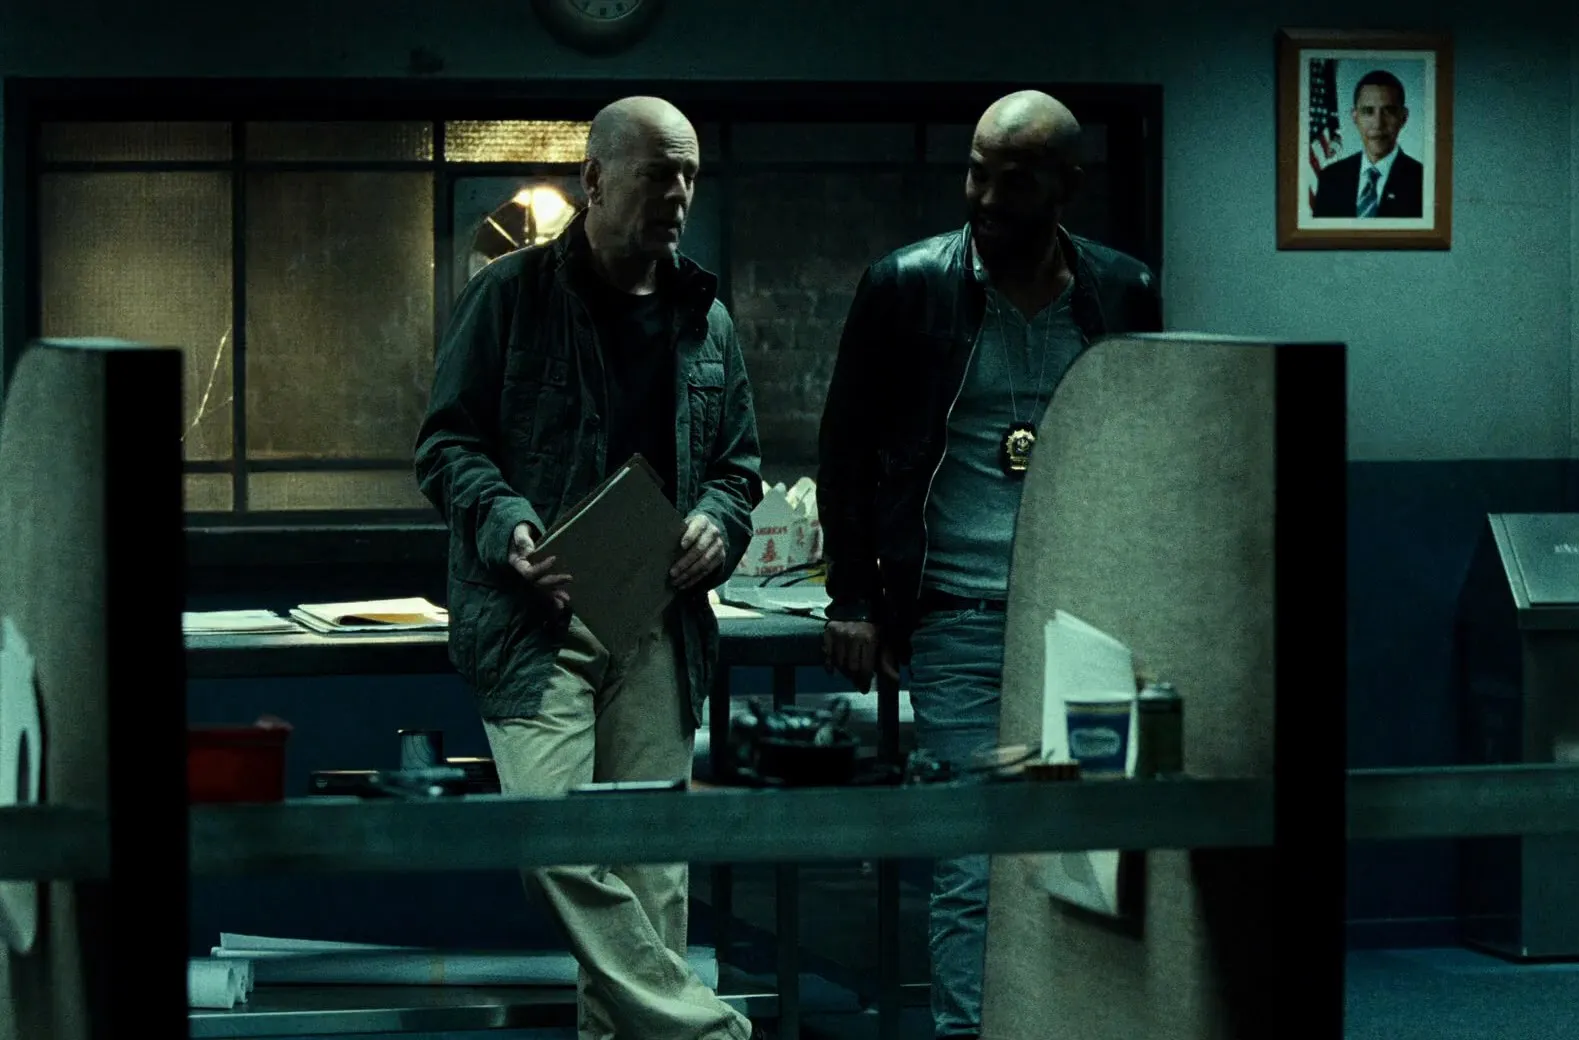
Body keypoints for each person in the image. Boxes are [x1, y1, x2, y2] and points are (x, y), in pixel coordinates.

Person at [814, 89, 1163, 1040]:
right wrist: (855, 597)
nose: (986, 197)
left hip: (1092, 621)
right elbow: (846, 451)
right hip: (960, 617)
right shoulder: (906, 286)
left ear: (1066, 185)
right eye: (977, 172)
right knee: (971, 861)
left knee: (1094, 857)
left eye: (1014, 179)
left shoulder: (1122, 292)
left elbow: (1153, 452)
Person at [414, 96, 765, 1040]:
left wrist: (718, 521)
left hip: (657, 620)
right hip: (538, 623)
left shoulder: (705, 320)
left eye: (689, 176)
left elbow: (738, 467)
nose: (677, 195)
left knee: (653, 875)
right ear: (595, 179)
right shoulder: (510, 295)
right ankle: (704, 1028)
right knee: (555, 844)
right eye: (657, 174)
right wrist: (508, 523)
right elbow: (446, 446)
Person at [1310, 69, 1426, 218]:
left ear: (1403, 117)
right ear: (1355, 117)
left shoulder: (1423, 180)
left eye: (1388, 111)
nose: (1378, 124)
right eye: (1368, 111)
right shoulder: (1330, 178)